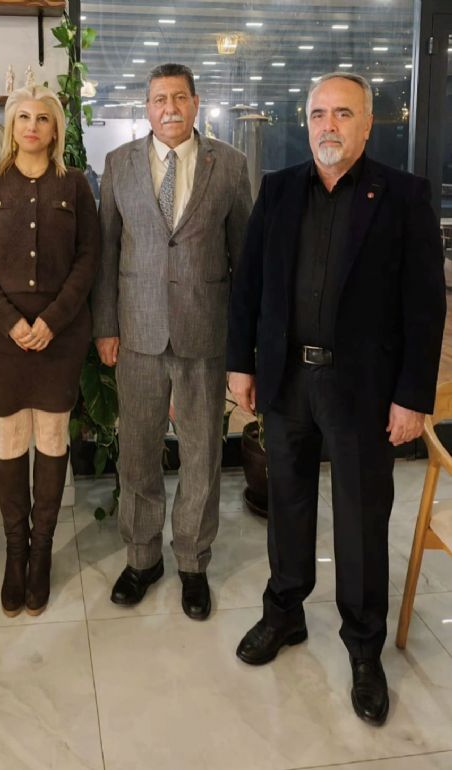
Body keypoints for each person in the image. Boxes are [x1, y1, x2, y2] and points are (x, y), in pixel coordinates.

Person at [227, 73, 445, 725]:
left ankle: (363, 647)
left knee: (361, 517)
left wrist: (412, 397)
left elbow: (425, 307)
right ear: (307, 121)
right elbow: (249, 285)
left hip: (364, 390)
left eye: (343, 113)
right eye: (319, 113)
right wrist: (241, 364)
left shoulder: (404, 196)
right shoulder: (279, 190)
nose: (328, 124)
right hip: (287, 379)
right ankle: (284, 612)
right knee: (287, 504)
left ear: (368, 124)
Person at [91, 63, 252, 620]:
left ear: (196, 103)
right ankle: (142, 559)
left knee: (202, 453)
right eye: (159, 99)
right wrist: (105, 326)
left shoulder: (229, 165)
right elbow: (106, 251)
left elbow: (244, 258)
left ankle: (192, 562)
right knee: (137, 451)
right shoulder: (119, 164)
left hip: (204, 332)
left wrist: (243, 345)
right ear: (147, 107)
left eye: (179, 97)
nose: (170, 108)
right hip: (136, 333)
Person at [0, 85, 99, 617]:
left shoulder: (75, 184)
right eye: (23, 117)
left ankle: (41, 553)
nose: (33, 126)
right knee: (12, 438)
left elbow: (88, 259)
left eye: (43, 118)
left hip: (60, 336)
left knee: (52, 437)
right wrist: (12, 322)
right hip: (3, 338)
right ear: (11, 125)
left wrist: (50, 321)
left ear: (56, 127)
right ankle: (14, 554)